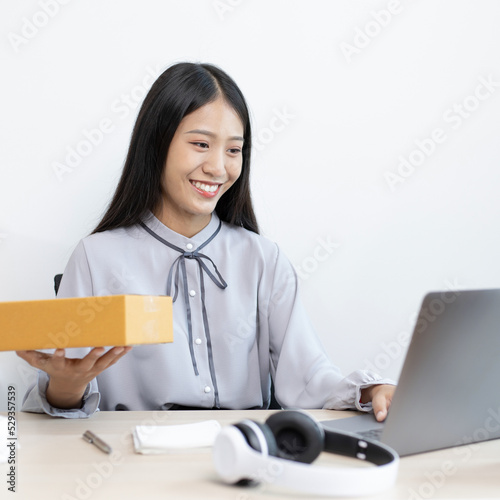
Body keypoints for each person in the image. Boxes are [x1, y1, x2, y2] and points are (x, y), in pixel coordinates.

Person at [18, 62, 395, 419]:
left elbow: (309, 379)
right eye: (201, 144)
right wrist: (67, 386)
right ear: (157, 143)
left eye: (234, 150)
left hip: (241, 453)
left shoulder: (263, 259)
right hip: (134, 461)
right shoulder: (96, 257)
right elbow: (68, 388)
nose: (218, 167)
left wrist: (368, 391)